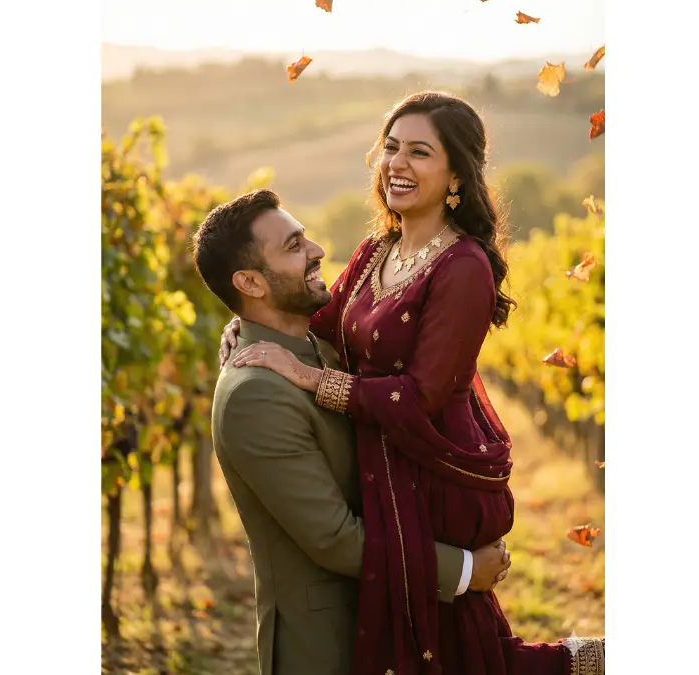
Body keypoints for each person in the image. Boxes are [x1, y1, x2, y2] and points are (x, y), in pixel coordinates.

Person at [223, 92, 605, 674]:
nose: (397, 163)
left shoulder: (464, 267)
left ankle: (590, 663)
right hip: (382, 468)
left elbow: (422, 394)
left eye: (419, 152)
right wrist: (243, 325)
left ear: (456, 173)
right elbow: (318, 320)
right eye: (391, 148)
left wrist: (312, 379)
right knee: (444, 652)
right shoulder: (376, 250)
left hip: (430, 474)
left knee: (458, 653)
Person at [192, 188, 514, 675]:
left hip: (382, 619)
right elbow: (335, 539)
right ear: (250, 282)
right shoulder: (252, 395)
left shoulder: (320, 351)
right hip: (326, 645)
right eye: (294, 245)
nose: (318, 251)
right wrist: (466, 571)